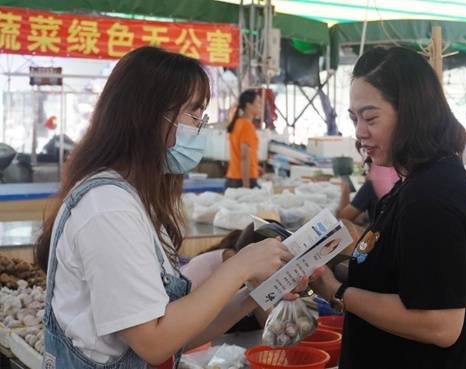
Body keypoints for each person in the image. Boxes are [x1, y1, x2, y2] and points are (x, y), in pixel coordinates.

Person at [34, 47, 306, 369]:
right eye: (193, 114)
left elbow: (178, 334)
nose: (199, 127)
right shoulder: (108, 208)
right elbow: (154, 343)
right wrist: (239, 267)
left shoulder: (136, 200)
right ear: (148, 115)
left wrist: (255, 293)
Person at [310, 47, 466, 369]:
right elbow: (399, 276)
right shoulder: (413, 181)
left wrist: (337, 290)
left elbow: (440, 323)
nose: (359, 132)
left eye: (370, 118)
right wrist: (322, 264)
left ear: (412, 113)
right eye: (355, 118)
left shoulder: (433, 197)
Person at [225, 89, 262, 189]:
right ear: (249, 105)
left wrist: (256, 166)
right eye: (258, 103)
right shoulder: (246, 125)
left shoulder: (238, 123)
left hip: (233, 177)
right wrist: (246, 186)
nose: (260, 106)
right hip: (243, 180)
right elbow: (244, 156)